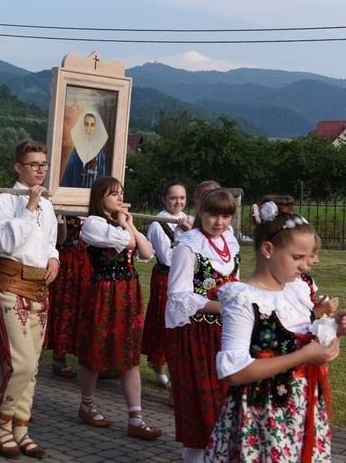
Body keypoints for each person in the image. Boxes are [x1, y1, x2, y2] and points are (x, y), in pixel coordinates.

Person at [205, 195, 340, 461]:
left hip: (301, 410)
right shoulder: (243, 298)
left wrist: (333, 326)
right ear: (268, 250)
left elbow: (294, 336)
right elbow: (234, 372)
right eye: (297, 257)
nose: (305, 265)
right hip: (263, 417)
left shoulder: (297, 290)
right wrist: (303, 357)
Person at [0, 139, 59, 459]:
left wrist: (54, 259)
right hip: (10, 283)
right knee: (22, 362)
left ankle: (21, 428)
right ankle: (1, 425)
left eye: (43, 164)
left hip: (38, 286)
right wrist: (28, 207)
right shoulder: (6, 199)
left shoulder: (48, 203)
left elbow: (50, 242)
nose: (40, 169)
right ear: (19, 167)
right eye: (34, 165)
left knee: (33, 367)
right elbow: (3, 242)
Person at [77, 176, 163, 441]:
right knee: (97, 349)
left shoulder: (121, 224)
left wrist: (130, 225)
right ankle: (86, 404)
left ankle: (136, 417)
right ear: (100, 197)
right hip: (104, 291)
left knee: (129, 352)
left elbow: (147, 252)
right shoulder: (93, 223)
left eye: (121, 193)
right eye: (113, 194)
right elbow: (125, 243)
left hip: (128, 291)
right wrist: (127, 228)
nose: (119, 198)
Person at [165, 188, 239, 462]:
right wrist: (224, 306)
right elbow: (178, 295)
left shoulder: (231, 243)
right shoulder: (189, 244)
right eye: (213, 214)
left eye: (226, 216)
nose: (219, 222)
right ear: (201, 213)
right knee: (201, 403)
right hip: (194, 333)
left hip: (224, 332)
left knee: (225, 400)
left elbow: (235, 284)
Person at [142, 180, 192, 391]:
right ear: (164, 199)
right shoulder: (157, 223)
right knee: (164, 321)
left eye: (181, 198)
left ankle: (173, 366)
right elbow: (168, 257)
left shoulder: (189, 220)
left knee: (182, 323)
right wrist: (186, 236)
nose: (178, 202)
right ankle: (159, 367)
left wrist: (188, 229)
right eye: (173, 197)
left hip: (186, 279)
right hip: (166, 277)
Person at [45, 214, 92, 379]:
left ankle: (85, 357)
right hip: (65, 259)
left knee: (81, 306)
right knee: (64, 305)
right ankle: (59, 358)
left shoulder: (87, 207)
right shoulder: (60, 206)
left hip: (81, 258)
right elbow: (61, 240)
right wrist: (61, 217)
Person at [60, 112, 108, 188]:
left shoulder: (100, 152)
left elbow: (103, 177)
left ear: (96, 128)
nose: (89, 128)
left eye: (92, 125)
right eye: (86, 124)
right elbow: (68, 175)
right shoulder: (77, 149)